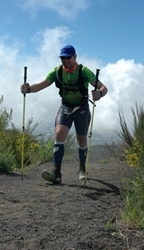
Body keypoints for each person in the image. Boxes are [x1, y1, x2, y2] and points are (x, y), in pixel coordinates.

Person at [20, 44, 108, 184]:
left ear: (75, 57)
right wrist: (28, 89)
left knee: (82, 140)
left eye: (68, 57)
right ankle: (56, 173)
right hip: (65, 107)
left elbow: (103, 87)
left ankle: (81, 169)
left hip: (82, 109)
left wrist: (100, 94)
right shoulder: (57, 72)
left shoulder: (83, 71)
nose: (65, 60)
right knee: (59, 133)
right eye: (62, 58)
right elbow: (42, 85)